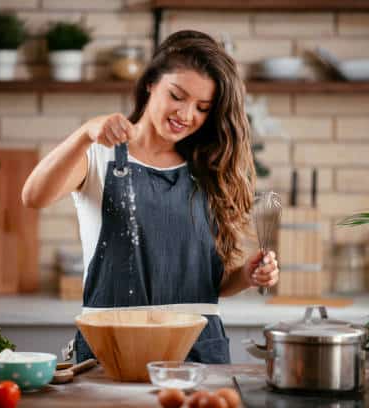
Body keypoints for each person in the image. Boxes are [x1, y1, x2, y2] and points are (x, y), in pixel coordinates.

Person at [22, 30, 279, 364]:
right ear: (150, 84)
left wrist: (245, 276)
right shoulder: (100, 155)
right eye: (177, 96)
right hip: (113, 345)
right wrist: (86, 132)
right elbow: (33, 196)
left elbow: (206, 287)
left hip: (198, 350)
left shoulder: (209, 170)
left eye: (202, 108)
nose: (186, 115)